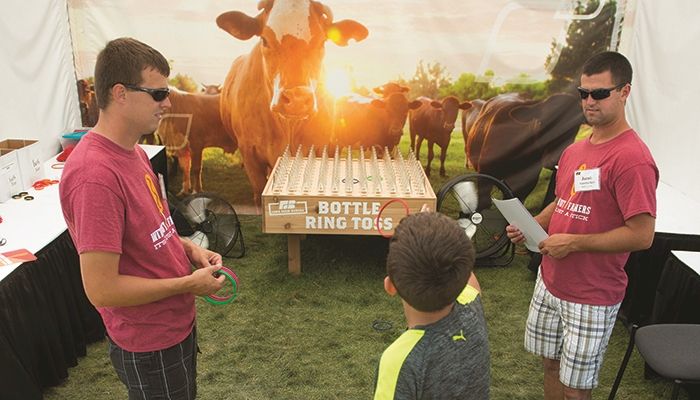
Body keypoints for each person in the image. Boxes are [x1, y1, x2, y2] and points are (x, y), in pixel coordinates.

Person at [59, 37, 226, 400]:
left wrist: (186, 250)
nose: (168, 102)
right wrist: (187, 285)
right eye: (158, 93)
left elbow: (152, 229)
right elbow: (101, 289)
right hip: (149, 341)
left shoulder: (132, 151)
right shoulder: (95, 176)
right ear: (120, 93)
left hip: (172, 324)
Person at [506, 51, 658, 400]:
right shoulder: (575, 151)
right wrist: (529, 225)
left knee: (576, 390)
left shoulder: (633, 159)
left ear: (624, 92)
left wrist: (574, 243)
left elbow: (643, 235)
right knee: (550, 366)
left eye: (600, 93)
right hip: (551, 280)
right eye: (583, 93)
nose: (589, 102)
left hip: (592, 294)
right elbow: (564, 200)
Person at [373, 212, 490, 399]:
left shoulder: (397, 359)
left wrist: (423, 232)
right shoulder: (472, 303)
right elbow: (466, 273)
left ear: (390, 286)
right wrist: (433, 232)